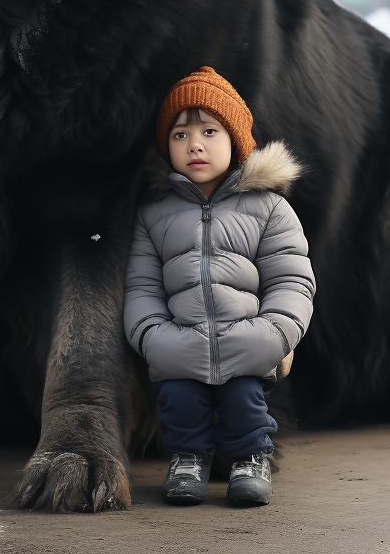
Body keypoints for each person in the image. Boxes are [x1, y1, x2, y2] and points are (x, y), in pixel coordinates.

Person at [124, 66, 316, 506]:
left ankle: (250, 458)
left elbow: (292, 277)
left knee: (245, 401)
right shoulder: (154, 214)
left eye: (210, 131)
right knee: (178, 400)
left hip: (248, 340)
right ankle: (187, 459)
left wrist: (276, 333)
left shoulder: (269, 208)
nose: (194, 144)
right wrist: (153, 337)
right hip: (181, 342)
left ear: (236, 140)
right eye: (179, 135)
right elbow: (140, 287)